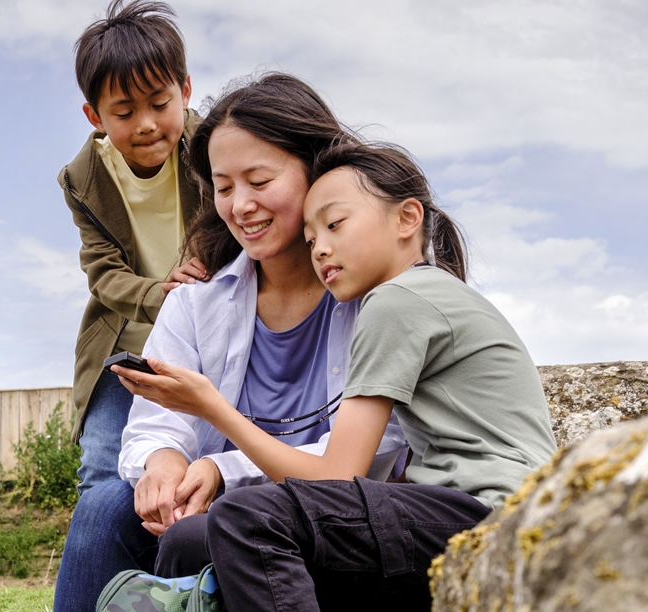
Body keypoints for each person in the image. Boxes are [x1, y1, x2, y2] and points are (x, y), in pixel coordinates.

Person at [116, 142, 558, 610]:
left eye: (335, 225)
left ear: (408, 219)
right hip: (484, 512)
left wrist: (212, 409)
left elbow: (334, 479)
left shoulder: (397, 302)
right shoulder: (421, 295)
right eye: (310, 239)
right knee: (207, 536)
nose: (321, 248)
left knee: (248, 518)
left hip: (492, 514)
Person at [54, 73, 408, 612]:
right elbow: (155, 422)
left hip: (336, 520)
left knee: (204, 533)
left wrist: (223, 471)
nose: (240, 205)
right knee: (107, 506)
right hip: (214, 520)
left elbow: (378, 451)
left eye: (259, 181)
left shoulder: (377, 297)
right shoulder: (196, 303)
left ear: (316, 173)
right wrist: (164, 466)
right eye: (223, 187)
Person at [61, 0, 209, 496]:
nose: (145, 123)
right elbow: (103, 274)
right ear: (95, 116)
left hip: (207, 337)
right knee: (103, 473)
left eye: (159, 104)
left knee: (205, 461)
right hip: (125, 346)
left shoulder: (216, 147)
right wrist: (160, 293)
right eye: (124, 112)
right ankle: (110, 573)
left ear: (185, 91)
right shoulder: (83, 179)